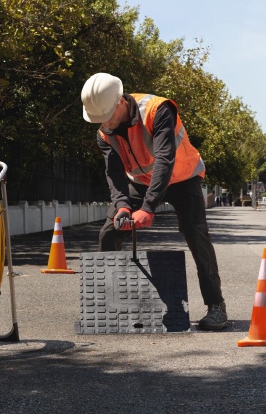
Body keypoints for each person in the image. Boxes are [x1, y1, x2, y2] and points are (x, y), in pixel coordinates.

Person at [81, 72, 230, 331]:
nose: (103, 124)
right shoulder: (104, 134)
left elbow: (164, 159)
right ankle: (107, 307)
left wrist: (148, 208)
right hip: (140, 183)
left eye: (106, 117)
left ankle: (216, 306)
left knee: (196, 234)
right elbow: (114, 174)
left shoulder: (157, 110)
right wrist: (123, 206)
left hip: (182, 177)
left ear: (120, 103)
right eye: (98, 120)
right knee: (109, 232)